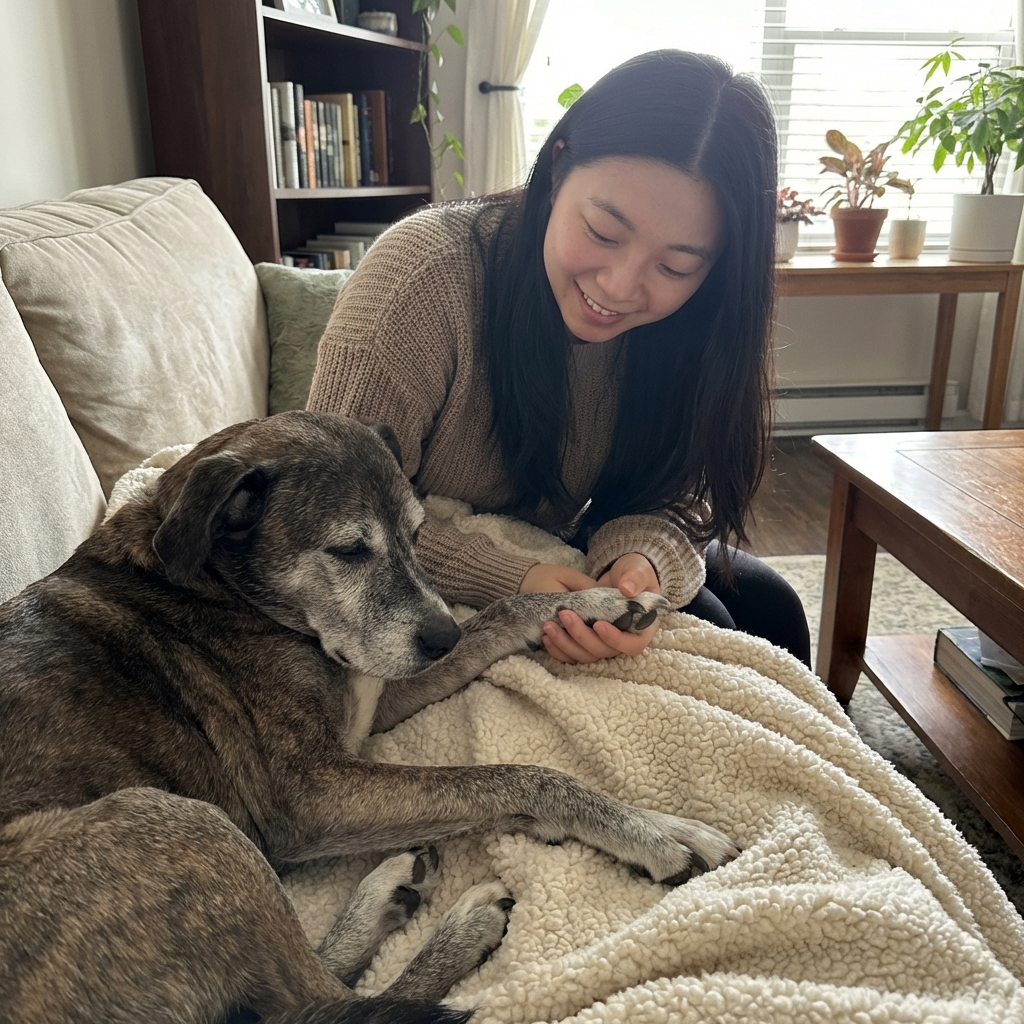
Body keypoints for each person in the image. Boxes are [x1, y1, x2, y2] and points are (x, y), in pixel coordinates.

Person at [307, 49, 811, 668]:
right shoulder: (421, 279)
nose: (622, 287)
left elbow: (679, 491)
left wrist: (642, 562)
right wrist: (511, 579)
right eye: (602, 232)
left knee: (774, 610)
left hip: (560, 552)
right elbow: (336, 515)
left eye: (676, 266)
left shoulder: (698, 321)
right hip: (419, 575)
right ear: (557, 163)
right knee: (721, 625)